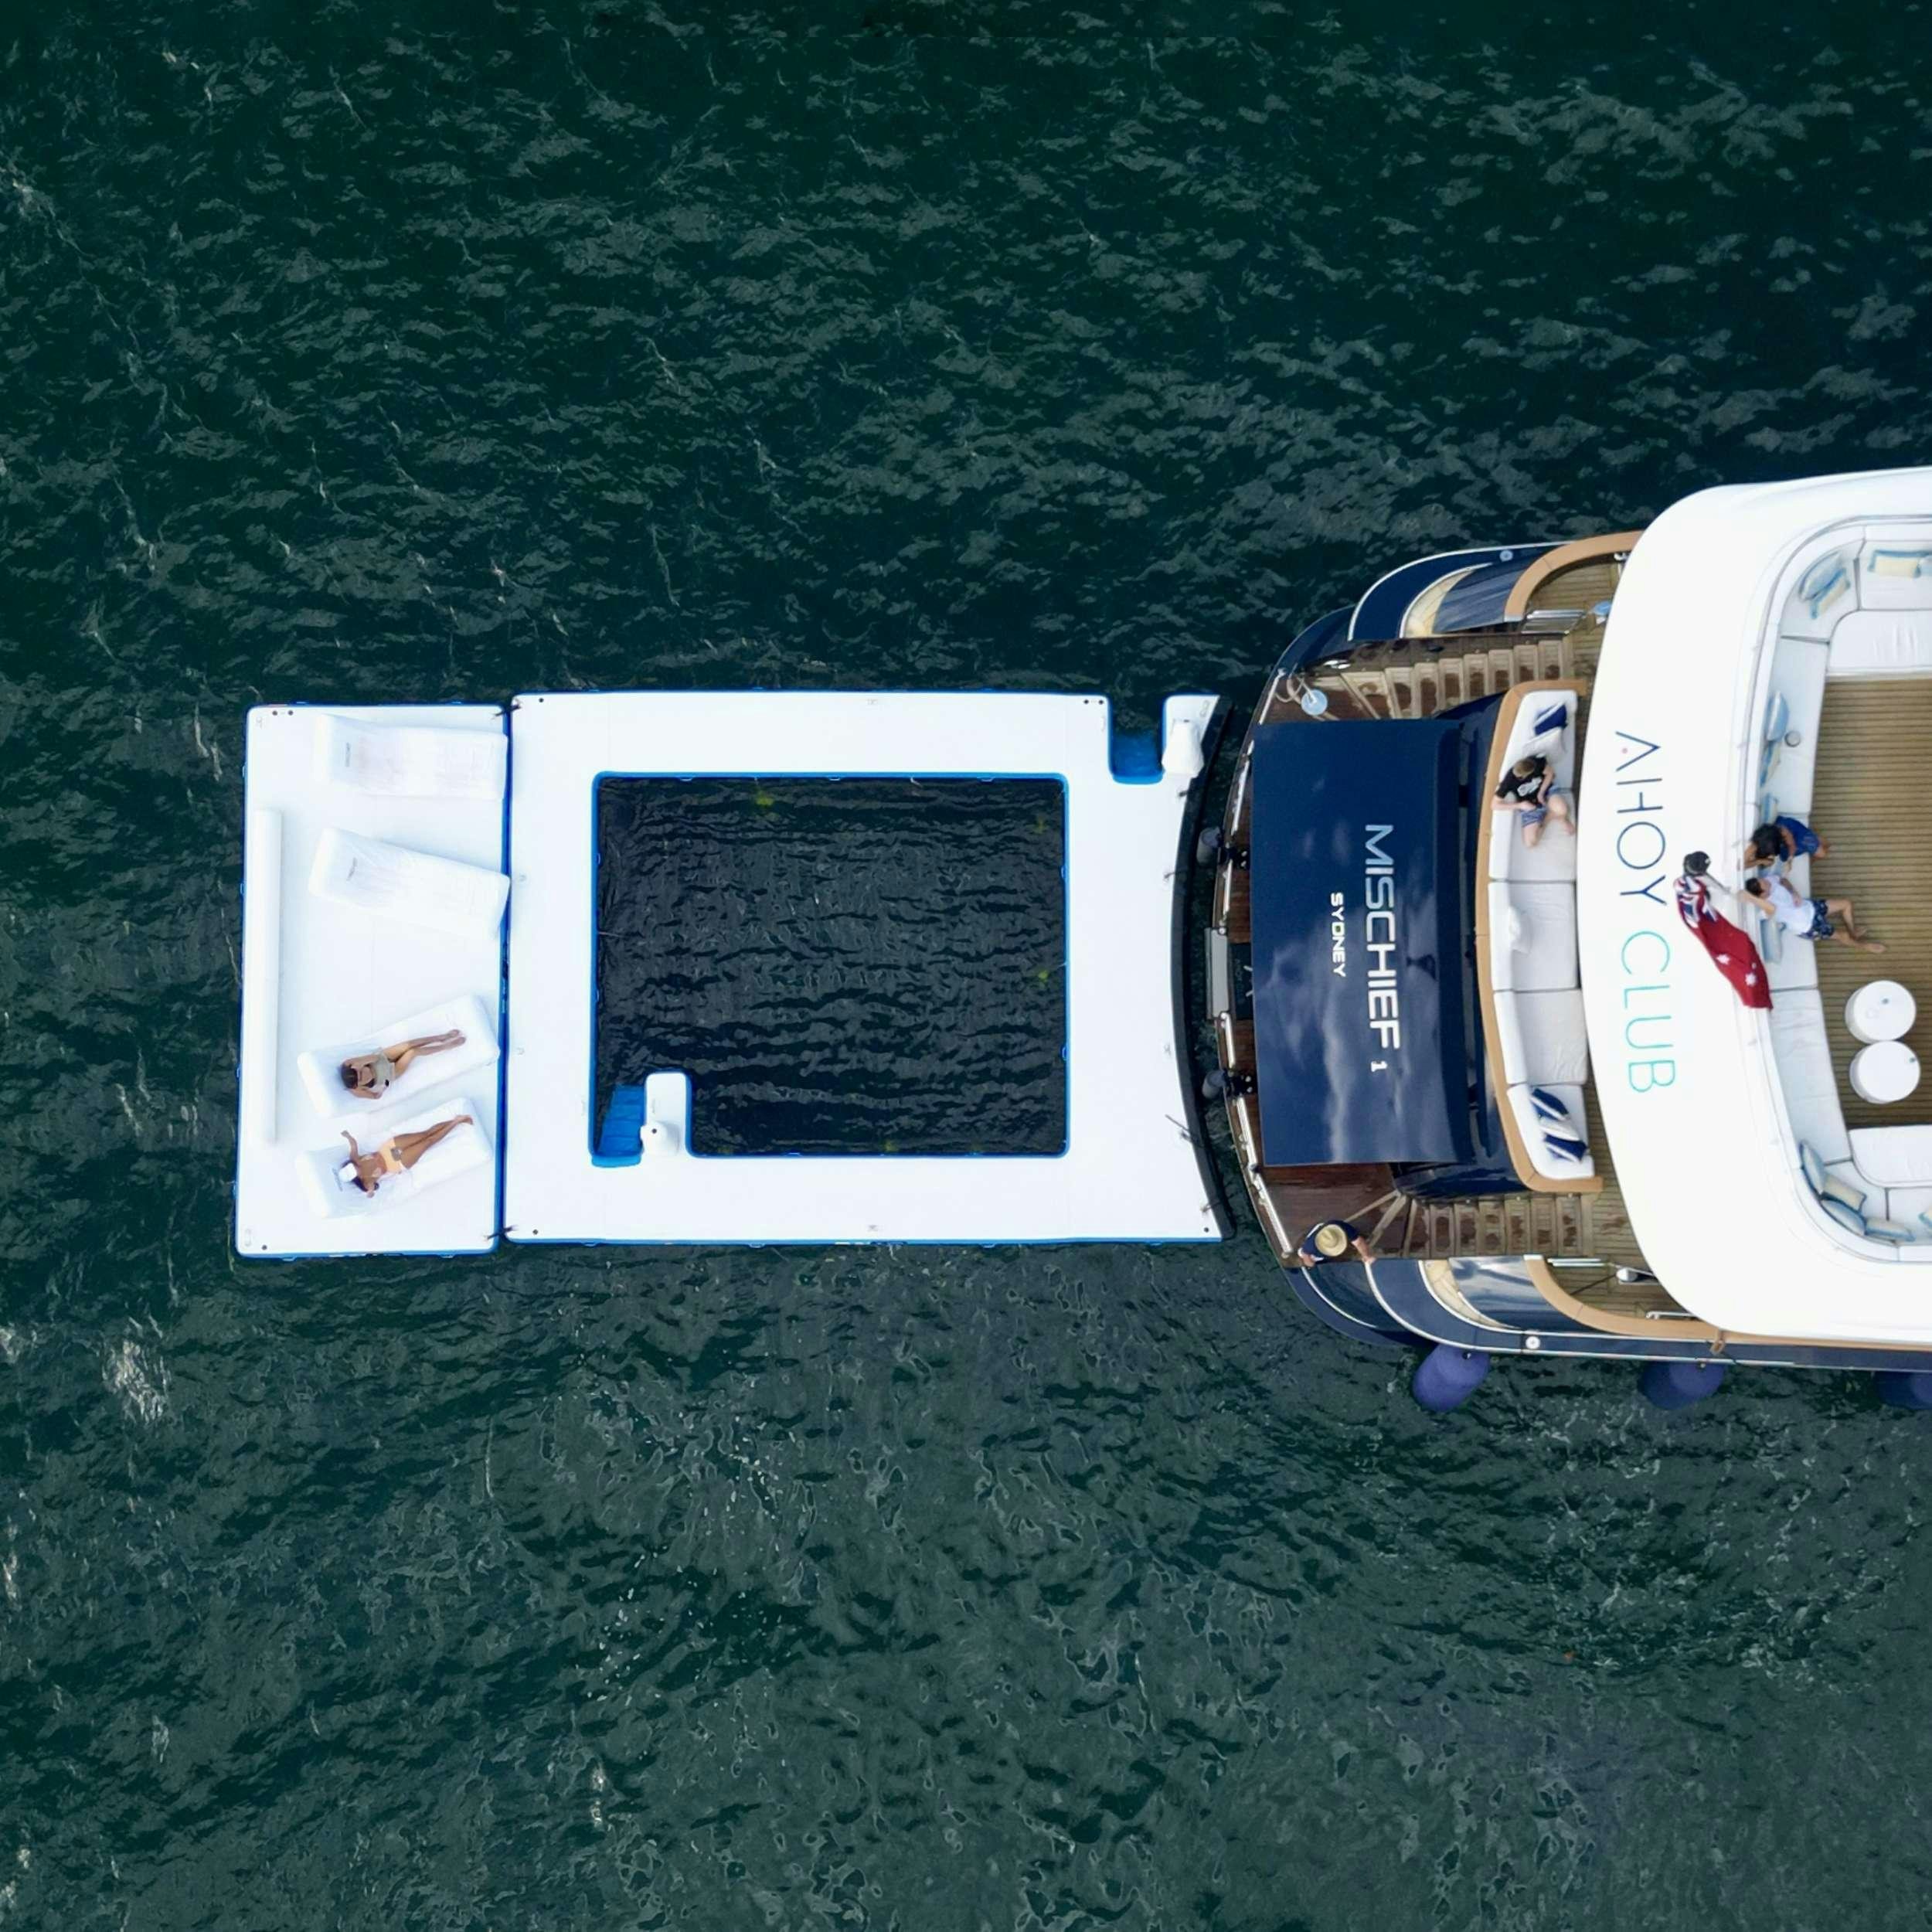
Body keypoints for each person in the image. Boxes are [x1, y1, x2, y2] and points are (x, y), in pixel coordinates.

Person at [1743, 872, 1883, 953]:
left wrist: (1794, 893)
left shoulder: (1769, 881)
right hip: (1808, 927)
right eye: (1766, 886)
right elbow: (1771, 910)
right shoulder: (1765, 908)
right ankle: (1865, 946)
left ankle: (1854, 932)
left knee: (1846, 904)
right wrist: (1749, 898)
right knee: (1842, 936)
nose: (1769, 884)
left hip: (1810, 907)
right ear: (1761, 895)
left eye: (1765, 882)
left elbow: (1782, 880)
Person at [338, 1114, 474, 1196]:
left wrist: (347, 1135)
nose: (355, 1167)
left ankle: (456, 1120)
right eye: (353, 1172)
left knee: (425, 1134)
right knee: (428, 1142)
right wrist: (370, 1193)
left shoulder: (355, 1159)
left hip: (388, 1150)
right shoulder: (367, 1182)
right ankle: (457, 1122)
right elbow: (370, 1192)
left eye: (351, 1167)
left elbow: (353, 1145)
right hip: (396, 1163)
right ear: (355, 1177)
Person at [338, 1029, 466, 1100]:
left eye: (361, 1072)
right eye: (361, 1078)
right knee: (413, 1052)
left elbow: (376, 1057)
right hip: (388, 1074)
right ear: (357, 1085)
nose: (364, 1075)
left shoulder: (351, 1063)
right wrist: (382, 1088)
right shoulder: (356, 1090)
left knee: (408, 1045)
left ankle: (441, 1037)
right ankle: (446, 1046)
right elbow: (375, 1097)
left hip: (379, 1060)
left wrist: (362, 1062)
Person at [1493, 754, 1573, 848]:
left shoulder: (1535, 762)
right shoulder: (1509, 781)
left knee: (1562, 809)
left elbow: (1550, 773)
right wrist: (1520, 805)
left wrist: (1541, 792)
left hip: (1546, 792)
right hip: (1529, 803)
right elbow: (1494, 805)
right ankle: (1549, 817)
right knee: (1531, 842)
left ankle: (1562, 818)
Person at [1743, 815, 1830, 870]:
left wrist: (1790, 861)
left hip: (1796, 832)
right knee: (1822, 850)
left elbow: (1792, 845)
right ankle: (1813, 840)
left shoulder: (1782, 830)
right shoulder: (1755, 844)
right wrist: (1761, 861)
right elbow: (1741, 866)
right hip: (1784, 841)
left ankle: (1813, 838)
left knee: (1823, 851)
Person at [1294, 1219, 1375, 1267]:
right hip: (1316, 1254)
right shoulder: (1310, 1246)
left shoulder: (1340, 1227)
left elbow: (1359, 1243)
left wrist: (1366, 1255)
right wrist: (1310, 1263)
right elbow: (1306, 1255)